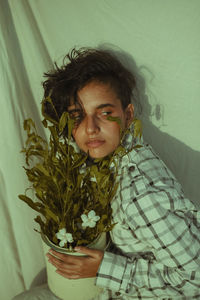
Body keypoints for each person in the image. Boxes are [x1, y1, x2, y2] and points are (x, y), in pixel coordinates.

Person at [15, 48, 200, 299]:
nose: (90, 128)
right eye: (78, 117)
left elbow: (195, 279)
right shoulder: (105, 160)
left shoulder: (142, 195)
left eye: (104, 113)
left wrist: (105, 268)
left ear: (128, 115)